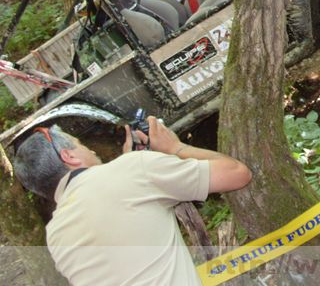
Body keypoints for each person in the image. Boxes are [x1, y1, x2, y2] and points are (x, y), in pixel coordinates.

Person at [13, 119, 252, 285]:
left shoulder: (55, 236)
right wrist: (175, 147)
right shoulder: (132, 171)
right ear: (69, 156)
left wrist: (132, 162)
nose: (92, 151)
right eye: (81, 144)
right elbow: (237, 174)